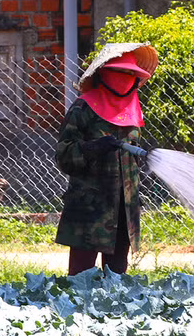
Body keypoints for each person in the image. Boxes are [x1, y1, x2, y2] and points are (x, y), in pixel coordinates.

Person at [54, 43, 158, 275]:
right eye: (120, 72)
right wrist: (93, 148)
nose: (126, 78)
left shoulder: (134, 111)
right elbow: (63, 156)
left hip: (125, 207)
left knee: (117, 276)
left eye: (131, 74)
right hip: (89, 208)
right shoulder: (82, 109)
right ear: (103, 75)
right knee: (81, 277)